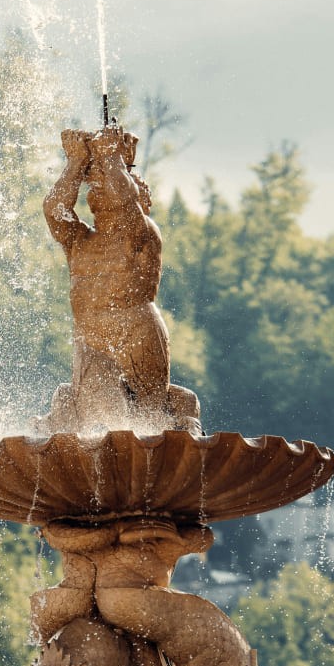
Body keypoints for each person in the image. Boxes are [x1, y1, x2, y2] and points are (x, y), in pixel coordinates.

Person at [41, 125, 200, 434]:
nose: (98, 184)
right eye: (95, 181)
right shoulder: (79, 241)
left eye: (108, 178)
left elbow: (123, 201)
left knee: (148, 421)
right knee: (98, 416)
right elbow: (54, 211)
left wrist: (110, 156)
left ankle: (174, 430)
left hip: (136, 338)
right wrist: (75, 163)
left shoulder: (141, 233)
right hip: (92, 340)